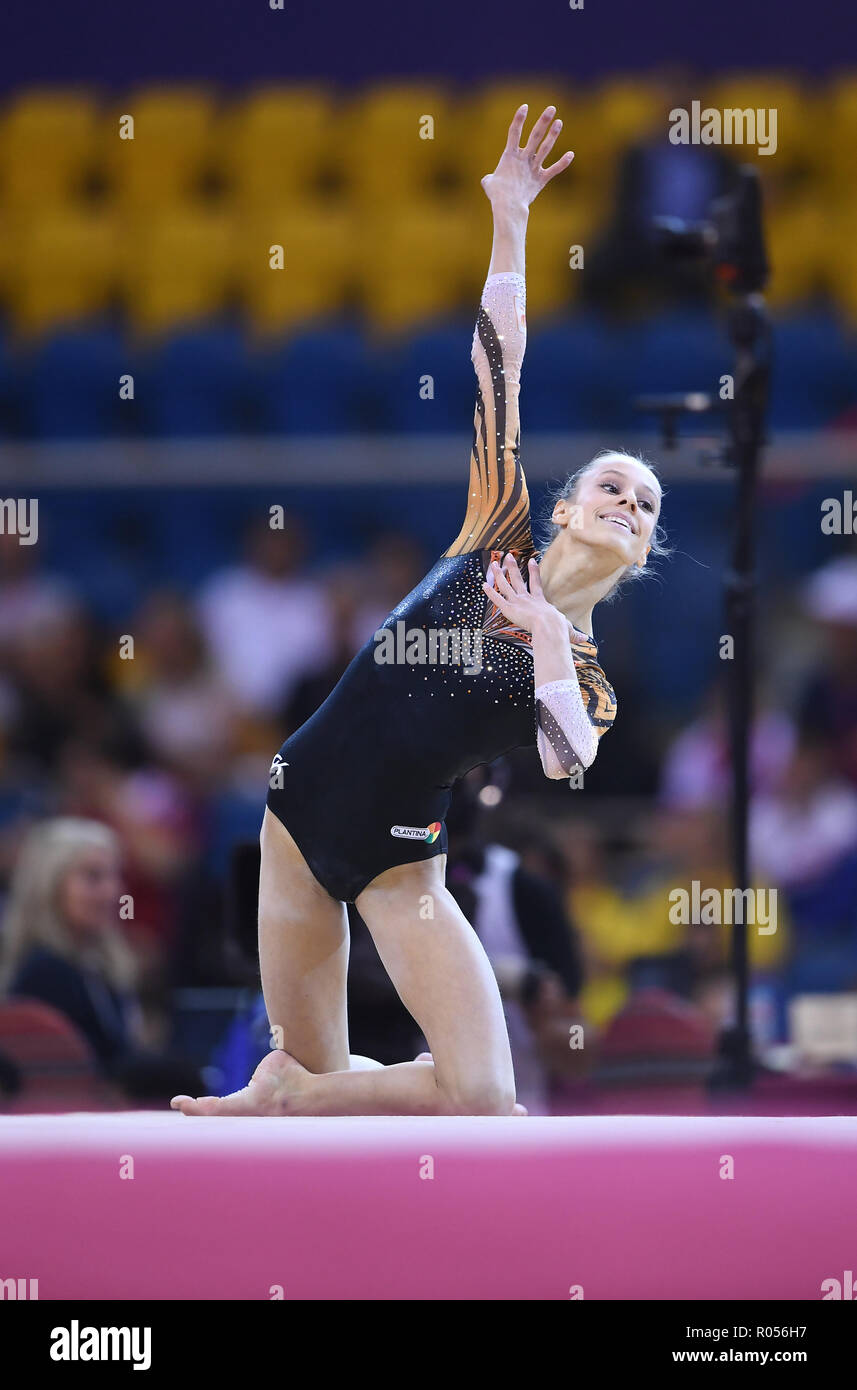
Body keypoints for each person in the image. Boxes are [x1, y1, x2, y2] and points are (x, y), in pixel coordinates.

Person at [171, 103, 667, 1119]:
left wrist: (539, 638)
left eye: (647, 506)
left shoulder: (587, 670)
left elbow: (566, 760)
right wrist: (512, 215)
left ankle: (284, 1095)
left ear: (642, 551)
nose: (628, 503)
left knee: (482, 1094)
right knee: (319, 1097)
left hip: (404, 858)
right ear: (565, 506)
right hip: (298, 815)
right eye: (614, 486)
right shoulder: (498, 523)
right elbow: (498, 359)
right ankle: (286, 1101)